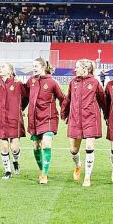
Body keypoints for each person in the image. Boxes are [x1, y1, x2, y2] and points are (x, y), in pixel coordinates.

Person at [61, 58, 106, 187]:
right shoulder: (73, 82)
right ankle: (78, 165)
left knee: (89, 147)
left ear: (85, 69)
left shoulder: (95, 82)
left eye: (77, 67)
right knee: (74, 150)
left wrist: (107, 115)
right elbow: (68, 99)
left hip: (91, 118)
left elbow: (102, 100)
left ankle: (87, 177)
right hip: (75, 119)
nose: (75, 69)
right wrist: (64, 113)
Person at [27, 57, 65, 185]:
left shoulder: (52, 82)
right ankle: (42, 169)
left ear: (43, 67)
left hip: (49, 118)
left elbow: (63, 99)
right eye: (33, 66)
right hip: (34, 118)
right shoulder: (31, 81)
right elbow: (24, 96)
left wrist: (65, 113)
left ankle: (44, 174)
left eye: (36, 66)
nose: (34, 68)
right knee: (36, 146)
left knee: (46, 144)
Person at [0, 62, 28, 179]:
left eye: (3, 67)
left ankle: (15, 161)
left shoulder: (18, 83)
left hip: (14, 118)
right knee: (4, 146)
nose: (0, 68)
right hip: (0, 118)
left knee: (14, 148)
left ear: (10, 71)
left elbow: (26, 96)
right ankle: (7, 171)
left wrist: (21, 108)